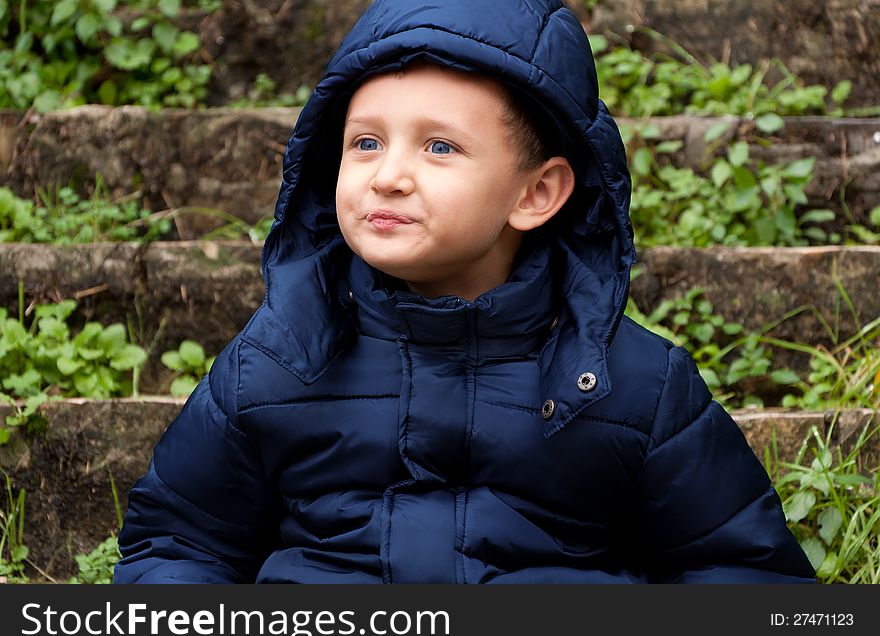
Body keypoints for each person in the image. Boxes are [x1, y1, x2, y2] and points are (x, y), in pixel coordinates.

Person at [114, 0, 817, 584]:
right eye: (364, 144)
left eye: (438, 147)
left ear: (536, 193)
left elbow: (740, 567)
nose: (387, 175)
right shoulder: (277, 361)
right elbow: (181, 545)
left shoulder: (634, 386)